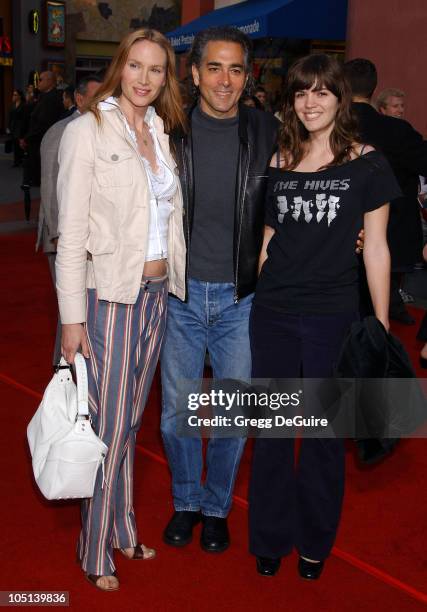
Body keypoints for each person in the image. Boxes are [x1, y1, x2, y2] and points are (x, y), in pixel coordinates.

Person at [248, 54, 400, 579]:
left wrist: (379, 323)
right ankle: (267, 537)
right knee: (270, 430)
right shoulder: (280, 157)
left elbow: (377, 248)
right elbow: (270, 237)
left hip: (332, 315)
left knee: (322, 436)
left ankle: (314, 542)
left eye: (321, 92)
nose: (309, 102)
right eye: (300, 93)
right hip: (271, 311)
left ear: (340, 98)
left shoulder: (368, 162)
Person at [55, 28, 187, 591]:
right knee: (109, 423)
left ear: (165, 78)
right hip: (107, 297)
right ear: (120, 67)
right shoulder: (88, 131)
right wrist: (70, 318)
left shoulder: (159, 130)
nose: (145, 78)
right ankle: (94, 548)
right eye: (136, 66)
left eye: (156, 70)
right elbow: (70, 233)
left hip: (157, 296)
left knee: (130, 423)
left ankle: (124, 526)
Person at [160, 26, 278, 553]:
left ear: (246, 75)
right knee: (175, 415)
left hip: (241, 299)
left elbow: (315, 168)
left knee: (234, 416)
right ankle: (186, 501)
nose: (225, 80)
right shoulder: (168, 129)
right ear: (194, 72)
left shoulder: (267, 130)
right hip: (179, 297)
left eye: (235, 69)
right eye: (214, 67)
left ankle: (216, 507)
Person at [344, 59, 427, 325]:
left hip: (339, 233)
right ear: (373, 88)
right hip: (393, 233)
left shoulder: (331, 129)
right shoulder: (397, 131)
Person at [36, 74, 103, 366]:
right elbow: (51, 189)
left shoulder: (101, 129)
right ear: (79, 99)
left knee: (83, 305)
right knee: (70, 307)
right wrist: (59, 237)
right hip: (62, 240)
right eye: (97, 97)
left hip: (88, 239)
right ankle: (63, 366)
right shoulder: (60, 131)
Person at [20, 71, 63, 186]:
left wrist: (27, 138)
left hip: (42, 142)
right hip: (37, 141)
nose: (37, 82)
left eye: (40, 80)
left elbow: (43, 123)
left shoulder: (51, 98)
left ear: (49, 81)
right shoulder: (44, 96)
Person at [7, 90, 25, 167]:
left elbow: (24, 118)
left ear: (19, 96)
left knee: (20, 145)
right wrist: (8, 126)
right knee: (15, 144)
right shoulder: (13, 106)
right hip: (13, 127)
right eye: (13, 95)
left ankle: (20, 160)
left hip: (20, 127)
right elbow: (10, 117)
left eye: (15, 95)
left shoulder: (23, 105)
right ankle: (16, 161)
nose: (13, 96)